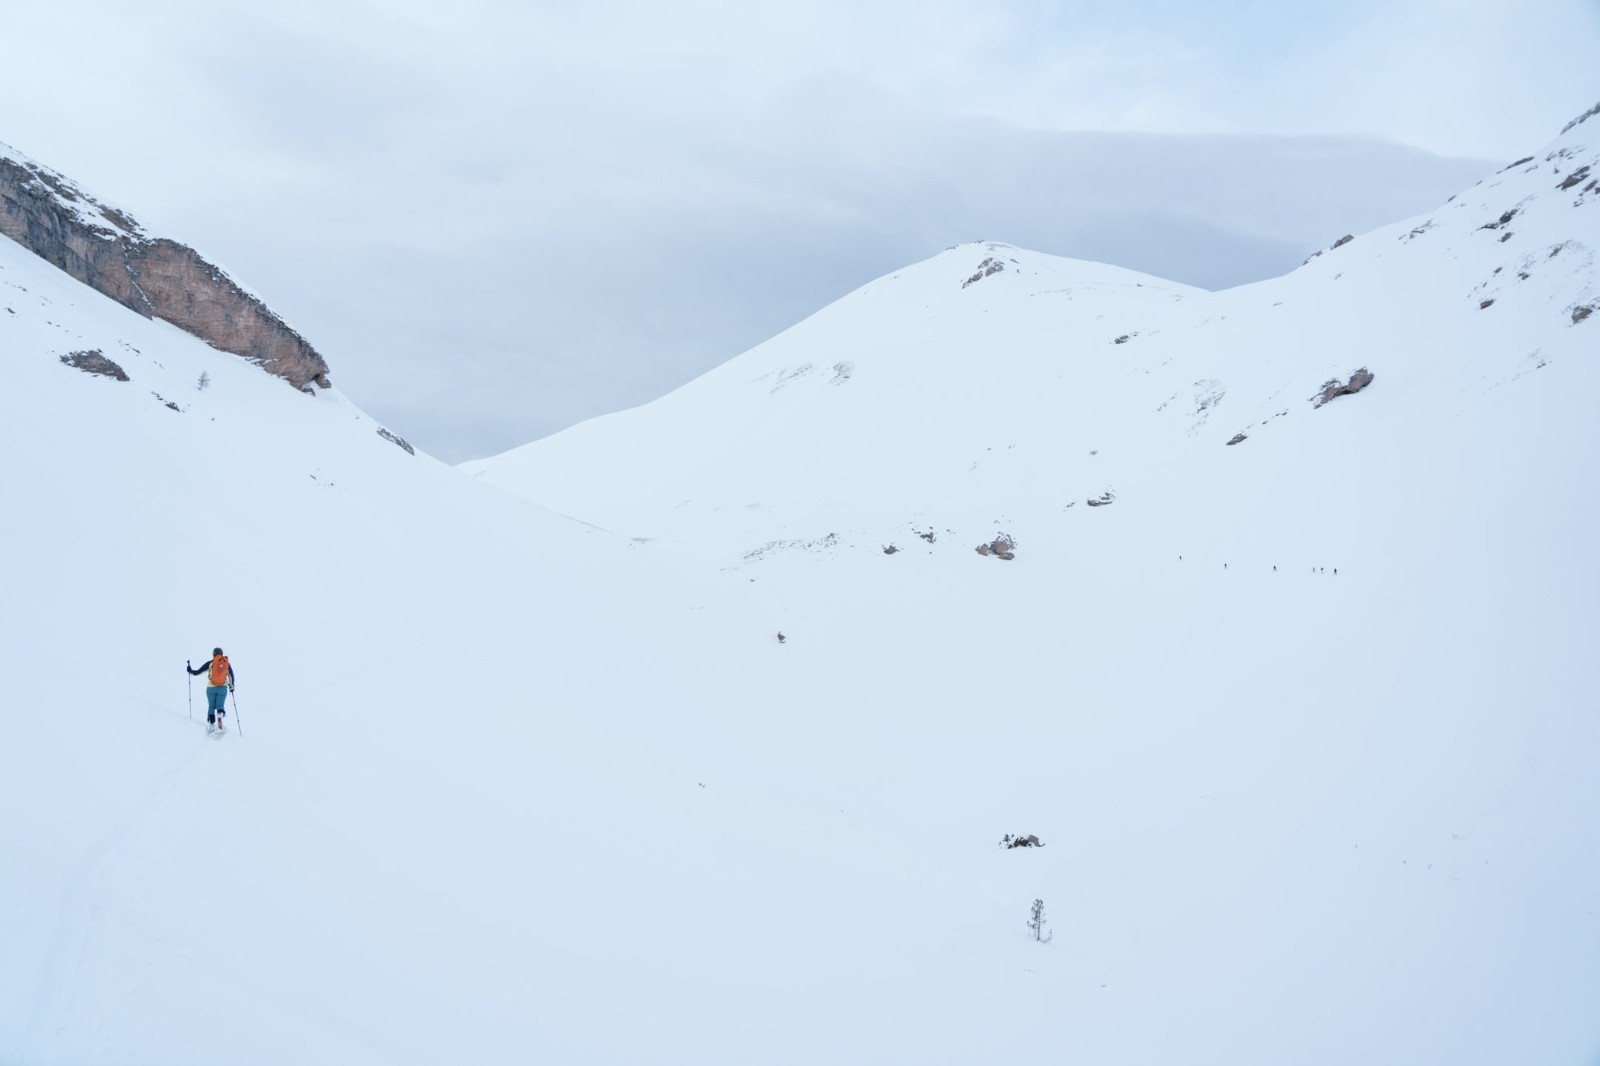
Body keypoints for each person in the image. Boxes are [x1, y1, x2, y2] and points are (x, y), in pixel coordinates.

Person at [188, 648, 235, 734]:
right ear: (221, 654)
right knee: (220, 705)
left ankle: (211, 724)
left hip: (211, 688)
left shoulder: (210, 663)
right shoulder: (226, 663)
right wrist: (232, 687)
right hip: (222, 688)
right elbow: (231, 675)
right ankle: (220, 716)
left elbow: (197, 672)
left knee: (211, 706)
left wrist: (190, 670)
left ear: (213, 654)